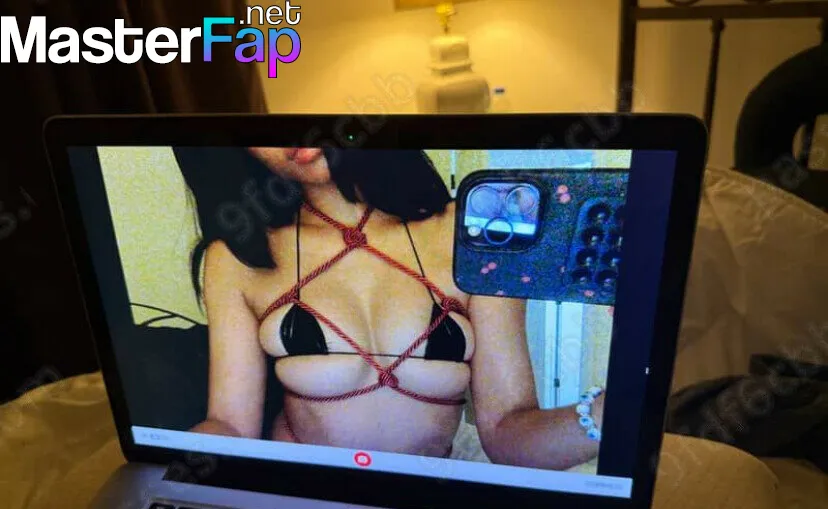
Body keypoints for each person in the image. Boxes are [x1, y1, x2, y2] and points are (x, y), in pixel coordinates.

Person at [175, 146, 605, 470]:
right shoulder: (237, 257)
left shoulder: (475, 234)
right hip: (304, 490)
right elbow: (230, 426)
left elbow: (510, 434)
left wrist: (613, 410)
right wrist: (166, 470)